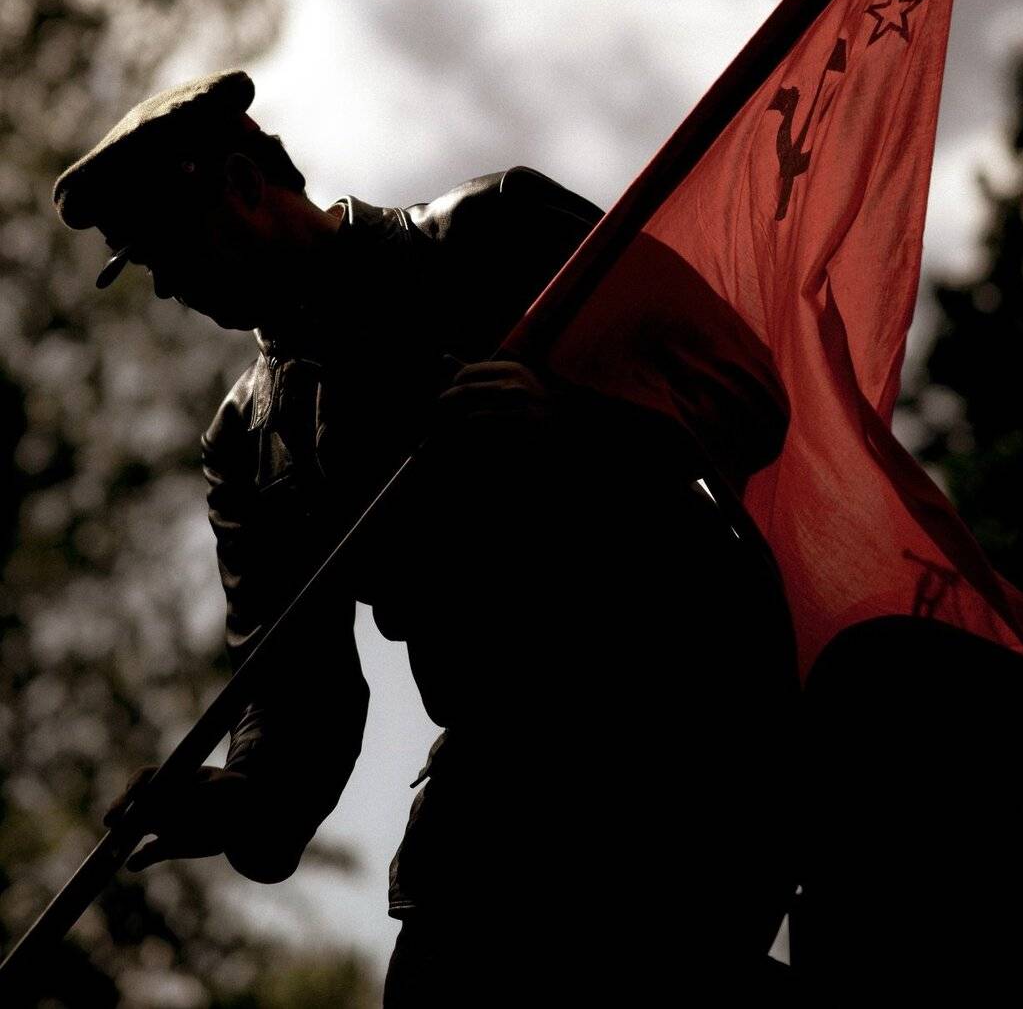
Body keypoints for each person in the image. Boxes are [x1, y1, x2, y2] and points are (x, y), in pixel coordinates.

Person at [55, 69, 800, 1005]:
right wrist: (242, 798)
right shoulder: (248, 440)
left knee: (653, 971)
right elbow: (295, 683)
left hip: (685, 705)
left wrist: (566, 422)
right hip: (502, 763)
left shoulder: (493, 234)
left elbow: (741, 393)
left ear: (242, 184)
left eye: (168, 247)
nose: (165, 286)